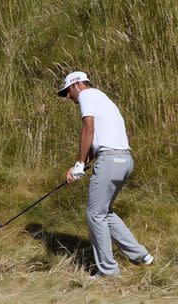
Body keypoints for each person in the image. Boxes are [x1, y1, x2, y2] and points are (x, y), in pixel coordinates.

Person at [57, 71, 153, 279]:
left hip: (110, 160)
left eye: (67, 91)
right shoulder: (102, 98)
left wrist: (79, 164)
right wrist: (77, 168)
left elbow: (88, 129)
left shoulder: (87, 96)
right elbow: (95, 141)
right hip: (124, 160)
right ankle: (140, 255)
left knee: (94, 214)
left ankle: (108, 272)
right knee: (104, 211)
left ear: (78, 85)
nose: (68, 97)